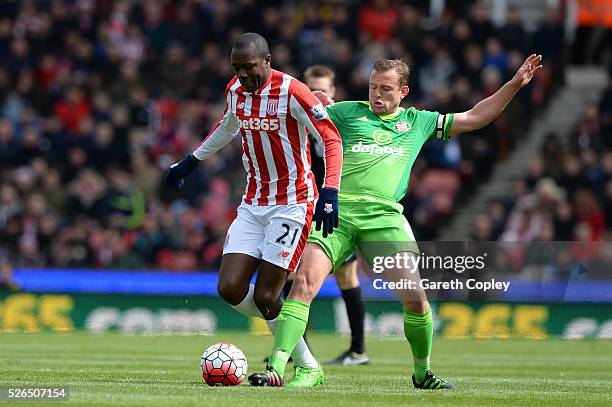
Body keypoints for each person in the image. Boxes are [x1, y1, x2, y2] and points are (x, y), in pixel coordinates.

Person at [249, 54, 543, 389]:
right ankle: (276, 368)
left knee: (416, 298)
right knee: (303, 285)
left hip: (384, 218)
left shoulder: (418, 121)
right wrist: (308, 100)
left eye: (386, 89)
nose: (377, 94)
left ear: (404, 90)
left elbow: (476, 117)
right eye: (373, 86)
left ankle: (422, 373)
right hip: (337, 213)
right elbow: (297, 117)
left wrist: (515, 84)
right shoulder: (346, 112)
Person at [163, 33, 343, 386]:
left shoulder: (293, 92)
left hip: (292, 203)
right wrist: (190, 161)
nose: (243, 74)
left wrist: (330, 190)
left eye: (249, 67)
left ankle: (304, 365)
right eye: (236, 68)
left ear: (267, 61)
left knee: (266, 295)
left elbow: (331, 138)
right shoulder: (235, 91)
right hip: (253, 202)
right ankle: (302, 355)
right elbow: (228, 126)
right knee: (229, 288)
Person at [303, 65, 369, 366]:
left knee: (344, 275)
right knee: (295, 275)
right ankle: (297, 348)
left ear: (333, 94)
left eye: (323, 90)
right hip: (301, 205)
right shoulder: (296, 122)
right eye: (311, 89)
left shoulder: (343, 125)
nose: (317, 95)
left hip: (334, 208)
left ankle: (357, 351)